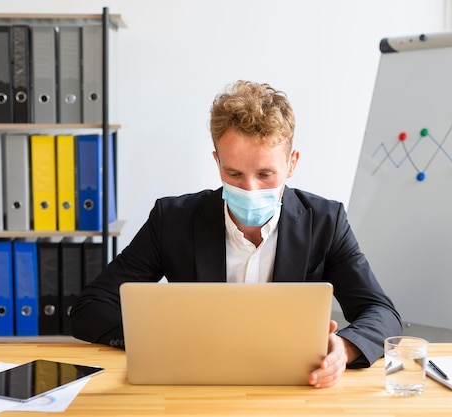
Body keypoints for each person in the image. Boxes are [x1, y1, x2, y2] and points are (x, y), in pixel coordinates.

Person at [70, 80, 402, 389]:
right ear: (217, 162)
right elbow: (90, 308)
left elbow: (382, 313)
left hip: (292, 390)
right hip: (195, 388)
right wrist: (167, 339)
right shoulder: (172, 220)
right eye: (234, 173)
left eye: (265, 174)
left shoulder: (326, 222)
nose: (250, 188)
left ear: (292, 163)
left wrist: (342, 348)